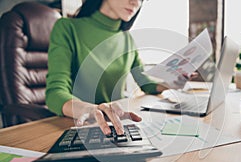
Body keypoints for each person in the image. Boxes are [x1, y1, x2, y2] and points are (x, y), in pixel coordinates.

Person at [46, 0, 195, 136]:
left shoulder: (127, 39)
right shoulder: (67, 28)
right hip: (80, 126)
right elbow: (55, 93)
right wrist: (90, 110)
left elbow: (145, 83)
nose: (135, 2)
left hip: (119, 125)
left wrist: (172, 83)